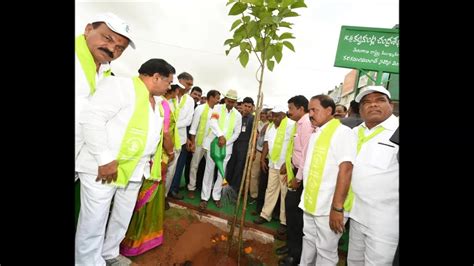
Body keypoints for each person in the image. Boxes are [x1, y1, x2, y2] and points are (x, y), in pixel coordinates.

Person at [75, 58, 175, 265]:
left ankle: (109, 253)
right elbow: (92, 119)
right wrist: (104, 159)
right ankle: (86, 262)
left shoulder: (157, 103)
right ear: (156, 77)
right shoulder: (120, 86)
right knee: (94, 222)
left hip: (134, 170)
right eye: (168, 82)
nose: (169, 87)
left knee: (122, 216)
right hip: (103, 168)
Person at [297, 95, 357, 265]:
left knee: (326, 251)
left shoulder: (343, 133)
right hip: (311, 203)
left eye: (314, 110)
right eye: (309, 110)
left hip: (328, 207)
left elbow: (346, 170)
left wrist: (337, 208)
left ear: (329, 111)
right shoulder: (316, 133)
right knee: (308, 241)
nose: (310, 114)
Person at [120, 85, 176, 256]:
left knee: (136, 199)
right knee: (143, 199)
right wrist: (170, 153)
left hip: (145, 156)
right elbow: (166, 134)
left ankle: (133, 238)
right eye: (169, 82)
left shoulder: (150, 102)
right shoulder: (163, 105)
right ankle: (136, 239)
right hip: (156, 158)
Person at [347, 85, 399, 265]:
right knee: (354, 261)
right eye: (367, 102)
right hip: (356, 215)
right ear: (360, 109)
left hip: (384, 222)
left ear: (391, 105)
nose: (373, 105)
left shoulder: (397, 131)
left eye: (380, 100)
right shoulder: (354, 133)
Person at [76, 12, 135, 162]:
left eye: (120, 48)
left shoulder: (106, 73)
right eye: (107, 38)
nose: (111, 48)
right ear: (88, 29)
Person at [277, 95, 314, 266]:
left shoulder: (306, 124)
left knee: (297, 218)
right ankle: (290, 247)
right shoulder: (298, 124)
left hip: (302, 178)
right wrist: (288, 163)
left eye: (291, 108)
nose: (289, 112)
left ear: (300, 109)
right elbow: (296, 150)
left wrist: (297, 179)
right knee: (291, 213)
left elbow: (307, 155)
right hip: (296, 172)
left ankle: (295, 255)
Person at [199, 89, 242, 209]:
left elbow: (237, 132)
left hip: (226, 148)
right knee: (209, 171)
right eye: (229, 101)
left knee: (221, 173)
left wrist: (225, 142)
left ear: (235, 102)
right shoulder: (217, 108)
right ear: (225, 99)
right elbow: (213, 122)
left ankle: (216, 196)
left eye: (233, 102)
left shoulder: (238, 115)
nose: (230, 103)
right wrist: (220, 136)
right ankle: (204, 197)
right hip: (213, 145)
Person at [254, 106, 295, 229]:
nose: (274, 118)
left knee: (284, 193)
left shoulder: (292, 125)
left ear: (283, 114)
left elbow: (295, 145)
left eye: (277, 115)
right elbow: (266, 143)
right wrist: (262, 158)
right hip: (272, 162)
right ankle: (265, 215)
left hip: (284, 166)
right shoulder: (271, 126)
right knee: (270, 189)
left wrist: (290, 163)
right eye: (273, 115)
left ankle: (284, 221)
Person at [187, 90, 221, 199]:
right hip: (199, 142)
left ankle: (207, 190)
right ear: (210, 97)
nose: (218, 100)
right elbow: (193, 128)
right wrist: (192, 142)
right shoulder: (200, 109)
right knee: (194, 165)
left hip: (211, 144)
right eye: (217, 98)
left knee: (210, 168)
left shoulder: (217, 111)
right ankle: (191, 188)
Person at [166, 72, 195, 200]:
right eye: (188, 83)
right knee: (160, 167)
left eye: (191, 85)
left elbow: (188, 120)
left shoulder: (190, 100)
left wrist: (172, 124)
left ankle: (165, 196)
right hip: (163, 137)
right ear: (179, 80)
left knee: (172, 170)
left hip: (179, 139)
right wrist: (168, 126)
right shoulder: (168, 94)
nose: (189, 87)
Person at [226, 97, 255, 192]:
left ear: (252, 108)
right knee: (230, 166)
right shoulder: (236, 116)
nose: (246, 108)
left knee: (239, 168)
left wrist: (252, 150)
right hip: (233, 144)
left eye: (249, 107)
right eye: (245, 106)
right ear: (242, 105)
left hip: (244, 146)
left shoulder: (253, 119)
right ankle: (225, 187)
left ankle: (234, 190)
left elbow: (254, 135)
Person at [249, 108, 270, 203]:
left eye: (264, 114)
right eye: (261, 114)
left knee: (264, 177)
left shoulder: (271, 125)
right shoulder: (256, 124)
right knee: (254, 174)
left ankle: (262, 198)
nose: (262, 116)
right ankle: (254, 195)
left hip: (268, 154)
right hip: (258, 151)